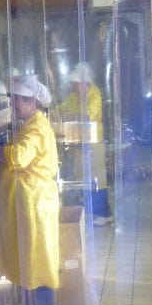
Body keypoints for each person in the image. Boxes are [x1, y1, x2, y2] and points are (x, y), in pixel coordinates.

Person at [0, 75, 60, 305]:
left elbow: (19, 156)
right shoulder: (29, 124)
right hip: (27, 204)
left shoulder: (37, 128)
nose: (13, 103)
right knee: (26, 259)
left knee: (37, 262)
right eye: (13, 99)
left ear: (32, 102)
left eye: (17, 99)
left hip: (36, 205)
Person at [58, 62, 113, 225]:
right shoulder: (74, 96)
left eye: (75, 85)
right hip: (79, 142)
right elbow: (63, 107)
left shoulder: (94, 94)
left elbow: (88, 114)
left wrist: (70, 114)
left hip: (93, 142)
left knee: (97, 179)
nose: (73, 88)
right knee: (83, 178)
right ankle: (90, 212)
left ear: (85, 84)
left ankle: (103, 213)